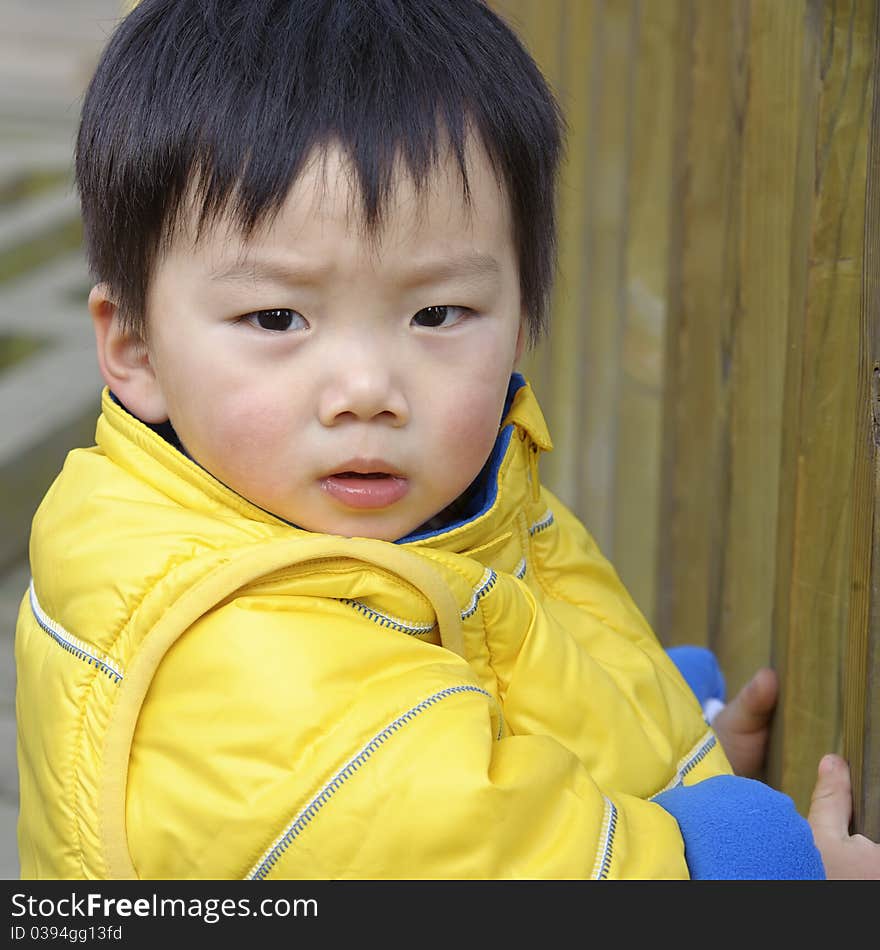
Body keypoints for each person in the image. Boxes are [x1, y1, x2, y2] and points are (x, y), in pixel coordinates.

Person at [14, 0, 877, 880]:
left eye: (437, 313)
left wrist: (661, 742)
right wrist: (758, 866)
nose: (367, 392)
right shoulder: (239, 665)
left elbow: (498, 724)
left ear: (523, 320)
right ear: (135, 348)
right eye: (277, 317)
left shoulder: (455, 520)